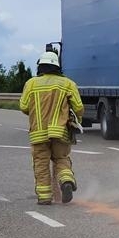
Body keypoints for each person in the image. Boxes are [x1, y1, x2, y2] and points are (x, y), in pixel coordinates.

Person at [19, 51, 84, 205]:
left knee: (41, 164)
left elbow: (23, 106)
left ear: (40, 66)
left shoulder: (31, 83)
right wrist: (76, 119)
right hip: (60, 131)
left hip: (38, 133)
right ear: (57, 67)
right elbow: (79, 107)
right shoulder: (68, 83)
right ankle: (66, 182)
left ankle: (44, 197)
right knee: (61, 159)